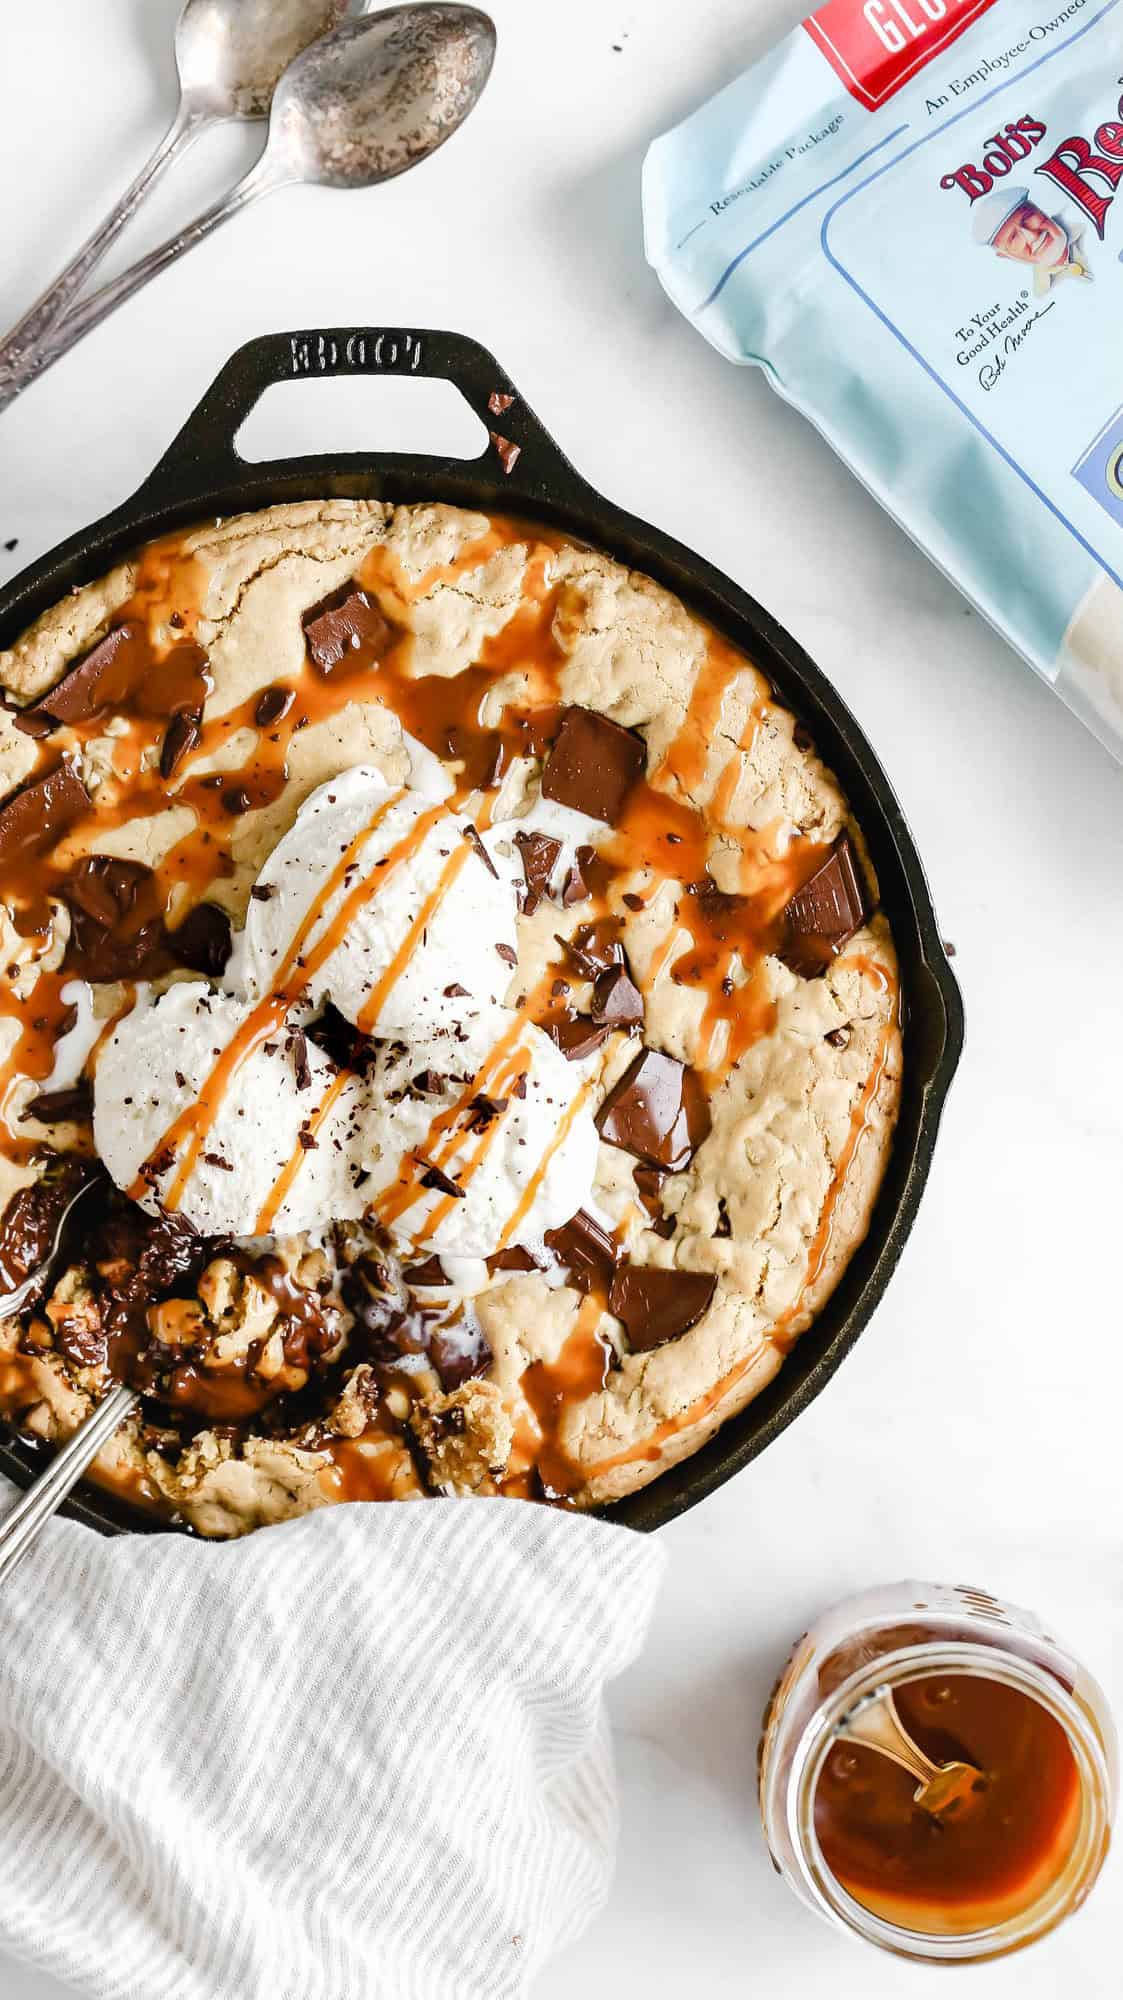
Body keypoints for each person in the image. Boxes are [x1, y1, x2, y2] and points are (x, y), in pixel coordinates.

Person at [970, 185, 1092, 294]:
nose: (1033, 236)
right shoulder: (1040, 292)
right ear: (1006, 256)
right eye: (1013, 238)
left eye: (1027, 217)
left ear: (1038, 209)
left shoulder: (1085, 218)